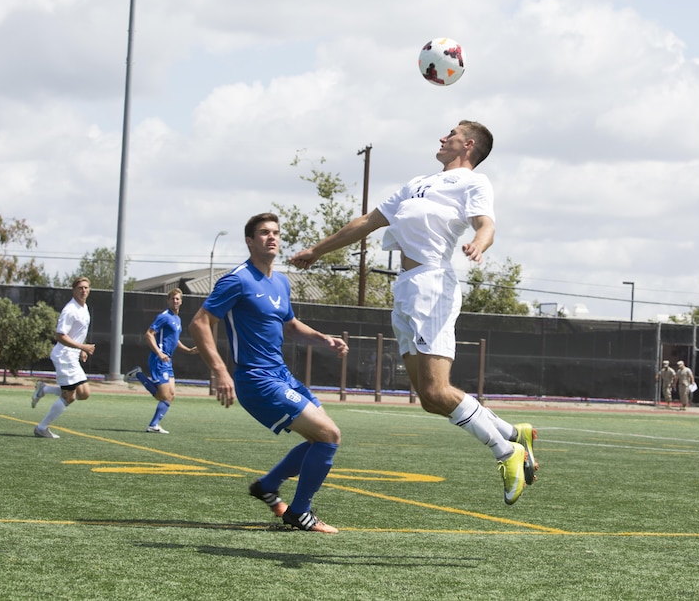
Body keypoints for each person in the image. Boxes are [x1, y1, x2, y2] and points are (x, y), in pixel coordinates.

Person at [290, 121, 538, 506]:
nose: (442, 137)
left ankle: (508, 453)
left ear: (468, 145)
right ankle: (512, 433)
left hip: (433, 285)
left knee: (439, 389)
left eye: (451, 133)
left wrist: (479, 243)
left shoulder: (473, 182)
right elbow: (366, 223)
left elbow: (487, 223)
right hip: (406, 288)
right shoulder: (417, 182)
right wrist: (318, 250)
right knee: (427, 397)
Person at [190, 213, 349, 534]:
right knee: (328, 436)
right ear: (250, 241)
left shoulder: (281, 281)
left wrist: (323, 338)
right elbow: (199, 323)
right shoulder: (237, 279)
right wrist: (220, 371)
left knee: (323, 437)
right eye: (263, 233)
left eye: (275, 232)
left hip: (282, 376)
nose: (271, 237)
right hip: (256, 380)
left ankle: (268, 486)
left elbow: (289, 325)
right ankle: (299, 513)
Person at [122, 288, 199, 433]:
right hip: (159, 359)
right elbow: (149, 335)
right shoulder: (164, 316)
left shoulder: (177, 319)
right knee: (163, 396)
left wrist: (188, 350)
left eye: (177, 299)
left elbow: (174, 340)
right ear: (168, 301)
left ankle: (153, 425)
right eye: (172, 299)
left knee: (170, 396)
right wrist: (159, 352)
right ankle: (138, 374)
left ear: (181, 301)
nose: (175, 301)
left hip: (167, 361)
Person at [31, 276, 96, 439]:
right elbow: (60, 335)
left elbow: (76, 333)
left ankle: (44, 389)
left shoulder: (84, 307)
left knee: (84, 393)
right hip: (64, 357)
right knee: (70, 396)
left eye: (86, 288)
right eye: (80, 288)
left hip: (72, 356)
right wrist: (82, 347)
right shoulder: (70, 310)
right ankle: (41, 427)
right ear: (73, 290)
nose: (84, 290)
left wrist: (80, 348)